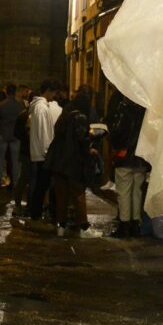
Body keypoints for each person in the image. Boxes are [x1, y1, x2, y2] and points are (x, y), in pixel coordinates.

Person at [44, 92, 100, 237]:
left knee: (61, 197)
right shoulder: (80, 117)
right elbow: (82, 140)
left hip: (58, 163)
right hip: (73, 163)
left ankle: (61, 227)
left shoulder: (64, 116)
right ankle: (84, 228)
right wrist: (91, 148)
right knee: (78, 195)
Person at [106, 93, 148, 237]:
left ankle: (124, 225)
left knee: (124, 191)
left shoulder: (124, 108)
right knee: (137, 191)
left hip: (125, 156)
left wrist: (115, 146)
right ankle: (135, 224)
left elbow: (118, 131)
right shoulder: (146, 109)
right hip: (141, 156)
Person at [26, 80, 61, 226]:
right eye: (53, 92)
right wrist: (47, 152)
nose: (54, 95)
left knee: (42, 185)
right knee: (41, 185)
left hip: (41, 153)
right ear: (47, 91)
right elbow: (43, 132)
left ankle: (36, 213)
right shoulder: (41, 108)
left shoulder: (41, 106)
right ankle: (35, 215)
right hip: (43, 154)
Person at [0, 84, 25, 193]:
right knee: (15, 161)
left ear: (6, 92)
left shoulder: (1, 105)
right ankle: (15, 183)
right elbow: (23, 120)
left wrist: (1, 129)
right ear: (15, 92)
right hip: (15, 135)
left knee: (0, 161)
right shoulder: (20, 104)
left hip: (3, 134)